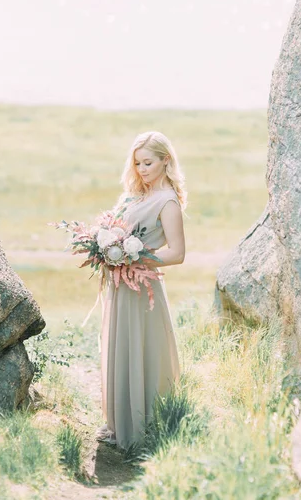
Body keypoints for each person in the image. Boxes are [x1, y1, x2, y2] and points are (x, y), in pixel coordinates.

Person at [96, 131, 187, 449]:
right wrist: (107, 247)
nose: (142, 169)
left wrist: (137, 256)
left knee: (143, 350)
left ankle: (145, 429)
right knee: (121, 347)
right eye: (137, 163)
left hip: (144, 289)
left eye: (148, 162)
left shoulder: (168, 202)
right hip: (121, 288)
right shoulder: (131, 196)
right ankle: (119, 425)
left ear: (166, 160)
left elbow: (176, 253)